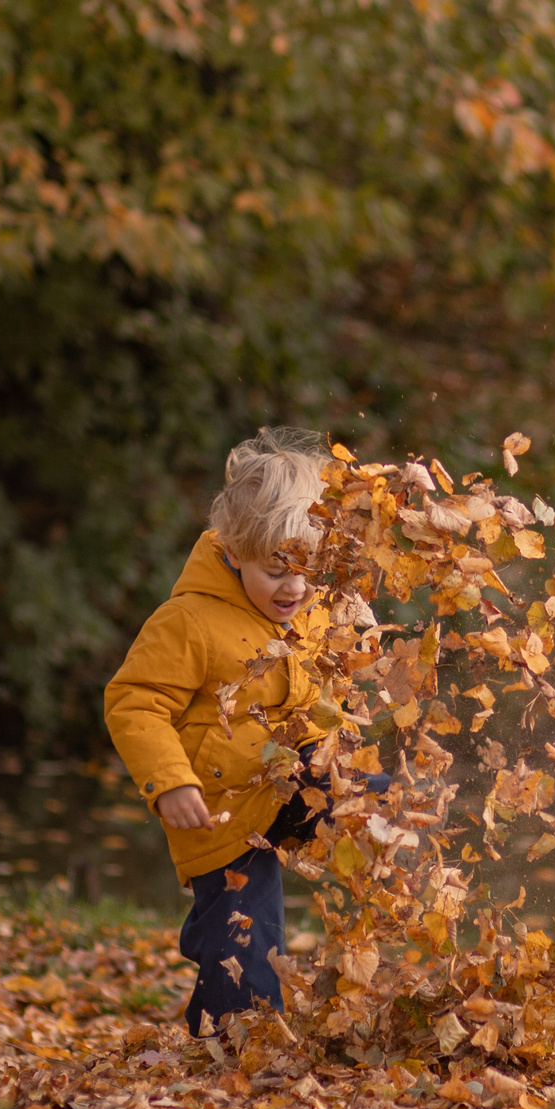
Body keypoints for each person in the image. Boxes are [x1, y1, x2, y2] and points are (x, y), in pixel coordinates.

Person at [103, 427, 340, 1035]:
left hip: (288, 780)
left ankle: (398, 943)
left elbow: (312, 694)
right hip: (221, 811)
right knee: (243, 945)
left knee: (377, 803)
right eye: (275, 570)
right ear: (233, 552)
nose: (294, 587)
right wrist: (171, 783)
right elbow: (134, 701)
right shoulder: (189, 620)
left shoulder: (311, 610)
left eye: (306, 570)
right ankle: (232, 1041)